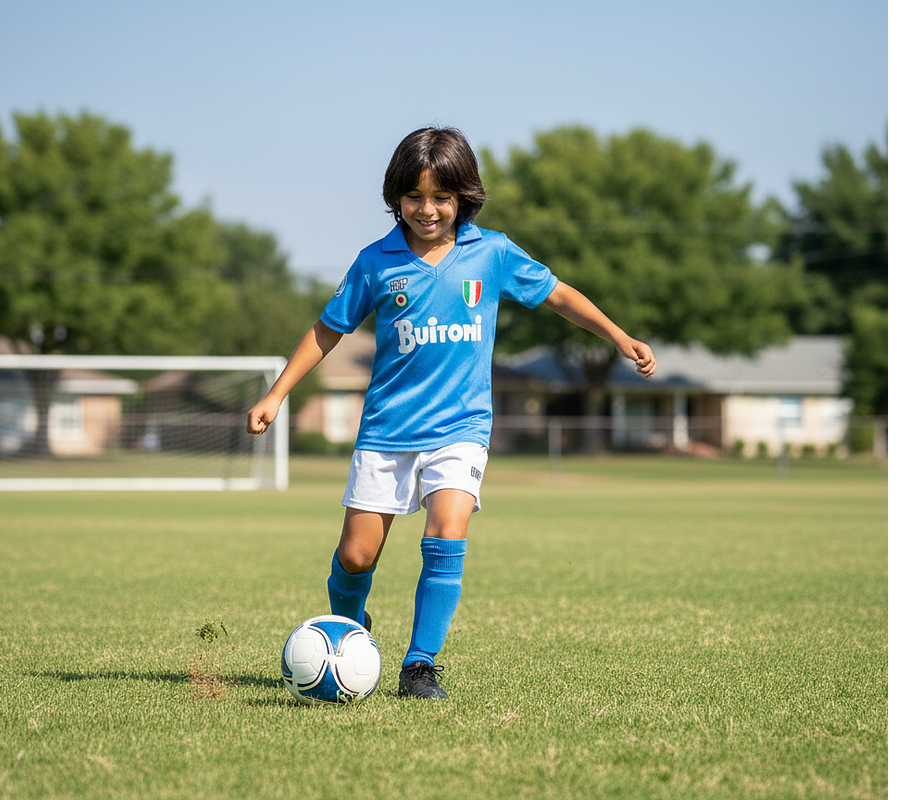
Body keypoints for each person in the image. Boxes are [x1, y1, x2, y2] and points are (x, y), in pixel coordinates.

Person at [247, 127, 656, 699]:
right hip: (388, 430)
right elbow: (328, 328)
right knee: (355, 555)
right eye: (414, 197)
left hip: (460, 429)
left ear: (465, 195)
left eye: (442, 197)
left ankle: (419, 666)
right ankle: (349, 631)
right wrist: (277, 393)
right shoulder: (375, 261)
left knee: (447, 531)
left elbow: (558, 293)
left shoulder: (492, 253)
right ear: (396, 197)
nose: (428, 209)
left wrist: (618, 335)